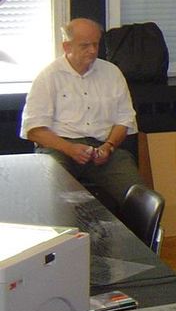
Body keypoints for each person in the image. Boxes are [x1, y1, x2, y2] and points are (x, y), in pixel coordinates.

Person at [20, 17, 145, 214]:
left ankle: (139, 233)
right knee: (54, 197)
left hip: (103, 148)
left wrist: (109, 146)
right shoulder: (48, 76)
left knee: (139, 198)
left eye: (95, 44)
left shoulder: (112, 73)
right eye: (85, 45)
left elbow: (125, 120)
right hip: (60, 148)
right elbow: (34, 130)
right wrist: (69, 148)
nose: (92, 51)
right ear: (66, 46)